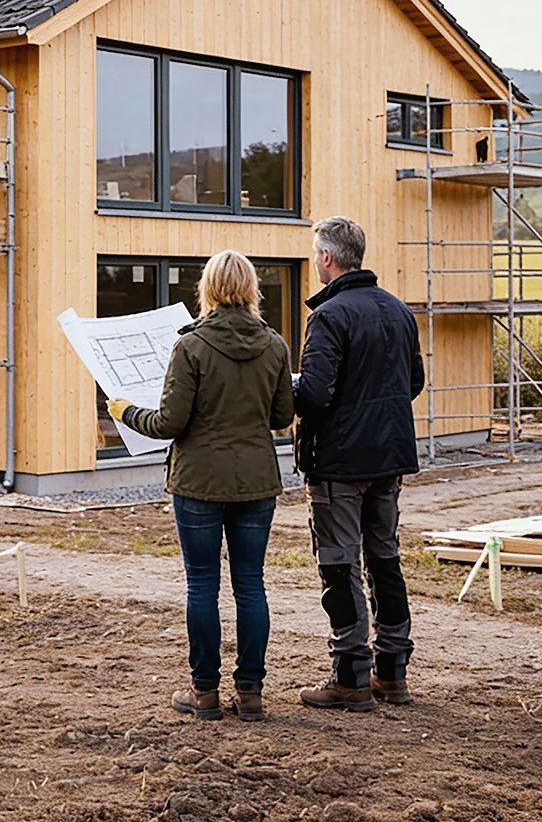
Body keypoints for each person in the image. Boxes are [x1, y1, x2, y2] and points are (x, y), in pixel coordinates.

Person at [107, 250, 294, 722]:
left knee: (203, 585)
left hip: (197, 483)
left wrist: (125, 412)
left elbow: (170, 422)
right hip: (255, 482)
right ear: (252, 289)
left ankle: (204, 692)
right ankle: (250, 693)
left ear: (206, 289)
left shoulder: (190, 346)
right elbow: (281, 418)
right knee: (251, 584)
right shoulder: (274, 345)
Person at [293, 216, 424, 711]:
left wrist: (287, 388)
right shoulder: (397, 310)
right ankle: (393, 674)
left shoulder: (328, 316)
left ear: (327, 258)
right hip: (389, 458)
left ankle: (350, 675)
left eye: (314, 254)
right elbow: (413, 383)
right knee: (385, 560)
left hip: (340, 464)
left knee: (338, 564)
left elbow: (317, 395)